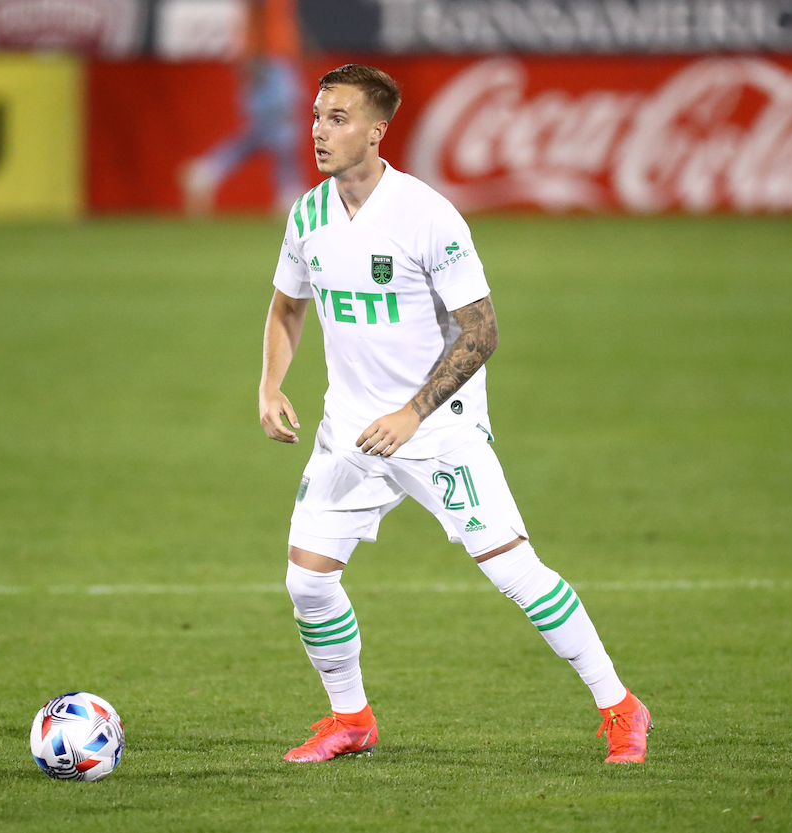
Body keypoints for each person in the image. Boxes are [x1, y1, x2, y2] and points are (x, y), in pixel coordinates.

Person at [258, 64, 650, 765]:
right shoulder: (309, 214)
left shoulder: (426, 214)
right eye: (318, 115)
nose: (319, 130)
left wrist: (412, 415)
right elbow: (290, 304)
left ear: (377, 132)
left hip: (438, 429)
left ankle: (621, 706)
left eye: (338, 118)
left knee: (514, 571)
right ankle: (351, 718)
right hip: (349, 432)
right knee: (307, 581)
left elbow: (482, 331)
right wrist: (269, 385)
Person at [180, 0, 305, 216]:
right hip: (269, 64)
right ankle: (288, 194)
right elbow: (259, 19)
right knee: (285, 132)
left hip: (272, 61)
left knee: (261, 135)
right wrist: (256, 62)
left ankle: (207, 171)